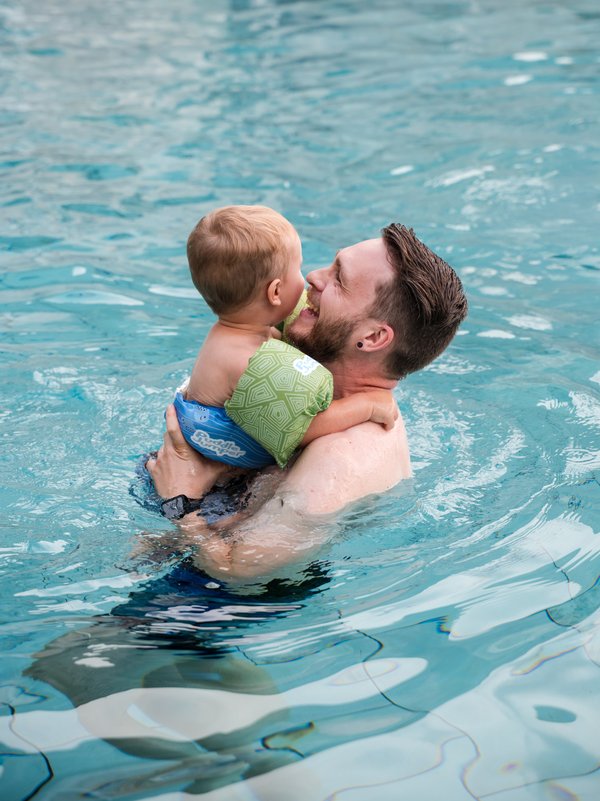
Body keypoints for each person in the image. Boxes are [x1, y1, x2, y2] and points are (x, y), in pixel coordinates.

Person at [147, 224, 467, 582]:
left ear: (373, 337)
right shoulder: (296, 380)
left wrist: (179, 501)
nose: (314, 277)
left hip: (209, 610)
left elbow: (238, 573)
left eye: (338, 281)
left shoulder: (341, 460)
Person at [171, 205, 397, 503]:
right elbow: (299, 430)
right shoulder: (247, 362)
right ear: (275, 292)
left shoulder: (240, 333)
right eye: (297, 269)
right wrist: (366, 406)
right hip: (209, 494)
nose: (309, 278)